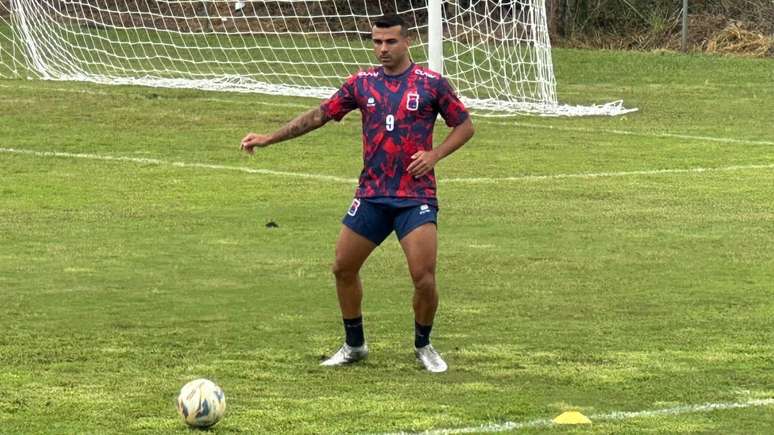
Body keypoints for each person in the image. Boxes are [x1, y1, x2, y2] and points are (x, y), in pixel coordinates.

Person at [240, 14, 474, 373]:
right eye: (377, 41)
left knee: (423, 277)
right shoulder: (362, 84)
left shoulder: (431, 84)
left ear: (407, 42)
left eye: (390, 42)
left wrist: (434, 155)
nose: (382, 48)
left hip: (415, 197)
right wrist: (269, 138)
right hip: (371, 195)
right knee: (342, 267)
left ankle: (423, 345)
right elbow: (320, 115)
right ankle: (354, 345)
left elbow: (465, 125)